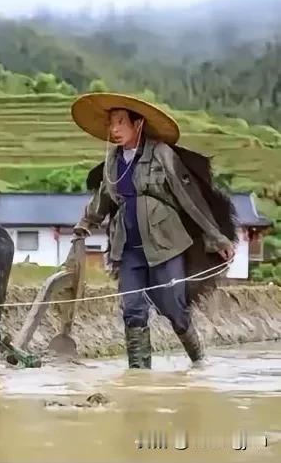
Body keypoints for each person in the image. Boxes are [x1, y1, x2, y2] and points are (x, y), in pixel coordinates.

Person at [70, 93, 235, 369]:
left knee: (174, 308)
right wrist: (85, 224)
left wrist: (215, 237)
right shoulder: (113, 161)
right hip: (128, 248)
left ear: (138, 124)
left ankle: (198, 361)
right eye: (111, 123)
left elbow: (189, 196)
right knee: (132, 308)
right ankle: (139, 373)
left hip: (165, 245)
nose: (114, 129)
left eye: (121, 122)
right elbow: (103, 198)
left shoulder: (161, 154)